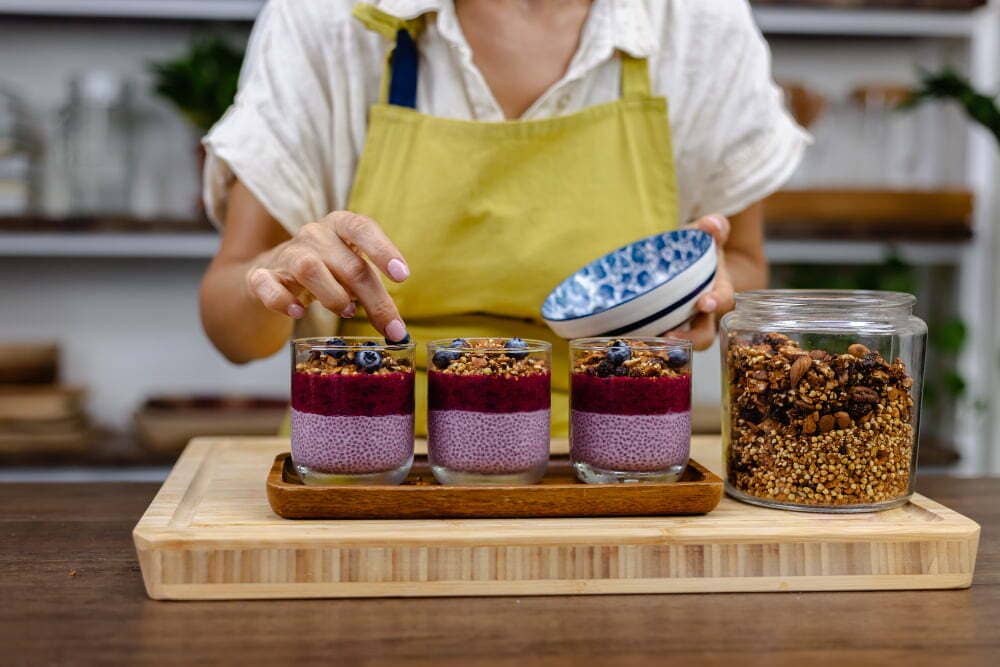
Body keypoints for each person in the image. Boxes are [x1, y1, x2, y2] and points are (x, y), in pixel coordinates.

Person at [199, 0, 809, 435]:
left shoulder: (700, 22)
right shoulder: (324, 18)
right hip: (363, 443)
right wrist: (279, 274)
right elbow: (230, 327)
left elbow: (744, 263)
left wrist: (708, 294)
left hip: (617, 447)